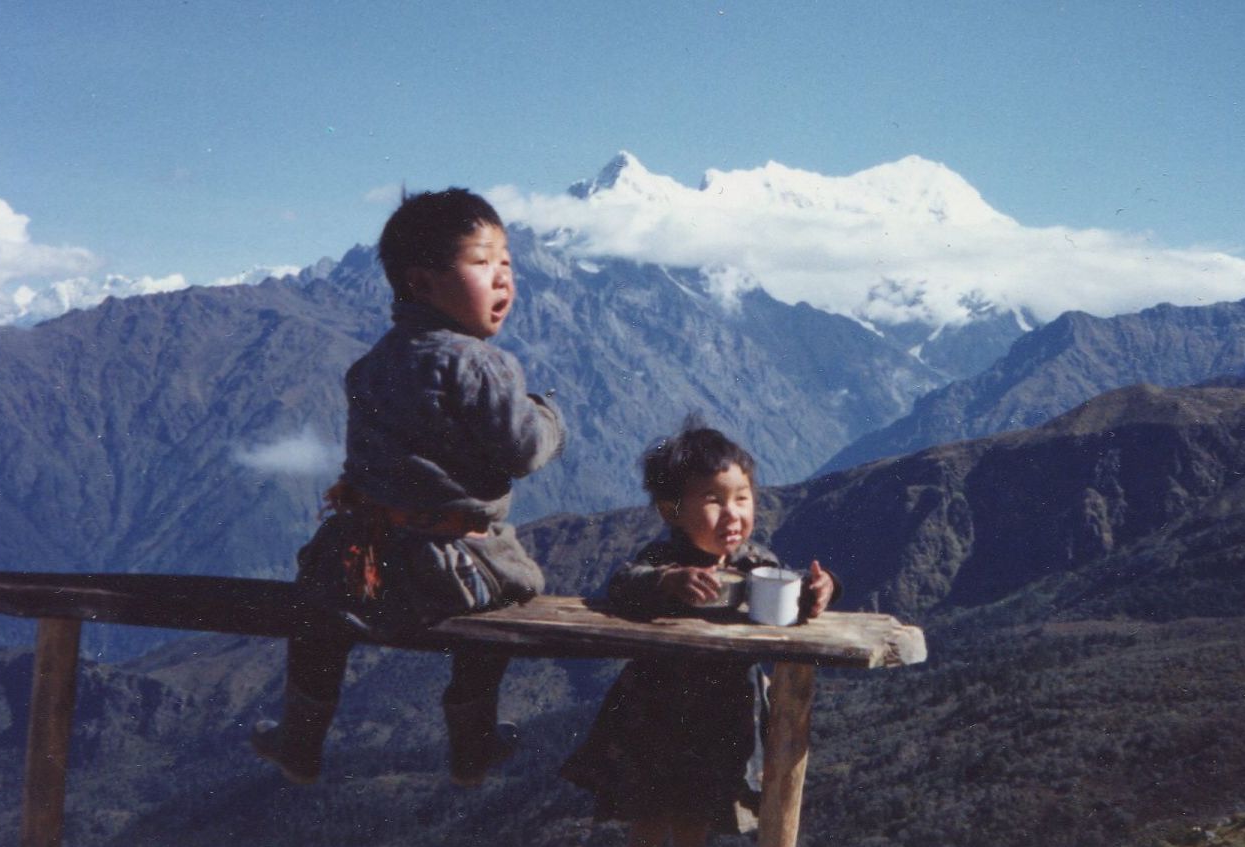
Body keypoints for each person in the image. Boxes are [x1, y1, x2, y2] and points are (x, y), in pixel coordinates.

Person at [250, 187, 564, 787]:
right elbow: (522, 450)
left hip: (359, 560)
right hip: (453, 566)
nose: (503, 279)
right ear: (421, 284)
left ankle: (300, 737)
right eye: (482, 262)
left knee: (317, 615)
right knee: (504, 604)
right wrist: (549, 417)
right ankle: (472, 742)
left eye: (507, 263)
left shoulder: (373, 361)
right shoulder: (482, 364)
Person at [561, 421, 838, 847]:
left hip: (724, 715)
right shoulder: (664, 558)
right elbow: (623, 582)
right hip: (654, 710)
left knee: (697, 818)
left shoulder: (754, 562)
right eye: (714, 500)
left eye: (742, 498)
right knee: (649, 817)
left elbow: (792, 591)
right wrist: (667, 583)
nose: (733, 514)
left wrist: (819, 590)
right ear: (671, 510)